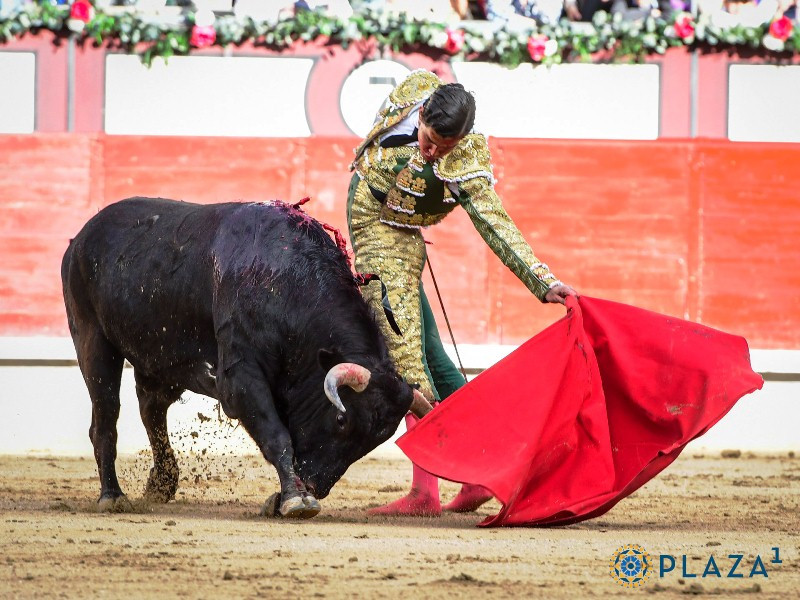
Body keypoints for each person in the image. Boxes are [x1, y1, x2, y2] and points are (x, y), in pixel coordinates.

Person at [346, 70, 578, 517]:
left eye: (444, 149)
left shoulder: (466, 162)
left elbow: (496, 223)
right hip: (384, 229)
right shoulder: (416, 86)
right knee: (430, 355)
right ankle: (480, 475)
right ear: (423, 110)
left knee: (406, 362)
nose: (432, 152)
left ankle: (424, 492)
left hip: (386, 239)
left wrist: (541, 280)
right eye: (429, 139)